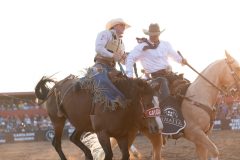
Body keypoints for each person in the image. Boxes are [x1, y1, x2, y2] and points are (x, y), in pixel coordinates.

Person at [125, 23, 187, 103]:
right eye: (152, 35)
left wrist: (182, 60)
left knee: (184, 84)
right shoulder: (142, 47)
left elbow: (174, 55)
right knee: (162, 82)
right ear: (149, 34)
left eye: (156, 35)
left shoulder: (165, 44)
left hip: (169, 74)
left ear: (159, 34)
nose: (154, 36)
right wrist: (129, 75)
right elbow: (130, 58)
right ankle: (167, 105)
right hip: (154, 78)